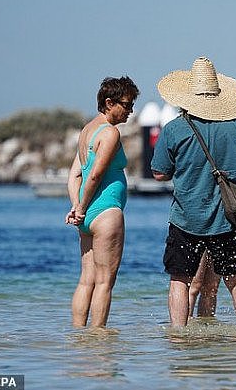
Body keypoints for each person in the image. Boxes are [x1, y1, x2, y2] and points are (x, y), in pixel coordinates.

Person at [151, 56, 236, 327]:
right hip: (229, 219)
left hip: (186, 218)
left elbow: (158, 173)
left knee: (180, 279)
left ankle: (178, 334)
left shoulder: (175, 129)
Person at [65, 76, 139, 327]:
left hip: (87, 215)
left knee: (87, 278)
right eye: (127, 105)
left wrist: (76, 207)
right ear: (109, 103)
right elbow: (95, 174)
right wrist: (82, 207)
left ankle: (78, 336)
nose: (130, 111)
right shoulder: (110, 133)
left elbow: (75, 174)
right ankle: (97, 339)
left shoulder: (87, 131)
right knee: (105, 281)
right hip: (105, 212)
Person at [188, 251, 221, 318]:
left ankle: (206, 322)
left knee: (212, 288)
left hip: (219, 242)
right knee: (194, 286)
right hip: (197, 242)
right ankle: (186, 321)